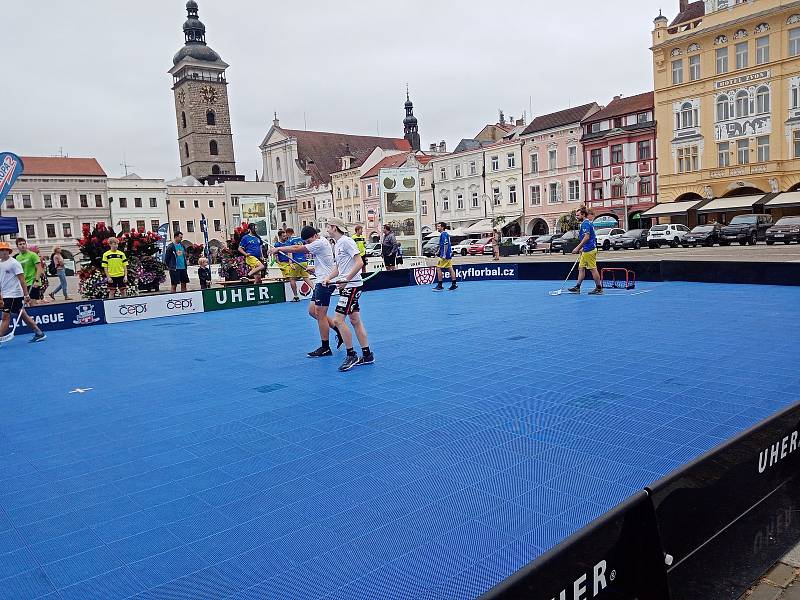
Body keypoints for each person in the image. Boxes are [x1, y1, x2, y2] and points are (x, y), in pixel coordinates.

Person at [268, 225, 344, 357]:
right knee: (312, 311)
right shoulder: (319, 242)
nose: (308, 244)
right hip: (322, 279)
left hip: (325, 282)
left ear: (315, 236)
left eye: (309, 241)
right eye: (307, 242)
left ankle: (325, 347)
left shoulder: (319, 242)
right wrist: (314, 269)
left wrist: (279, 248)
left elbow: (297, 248)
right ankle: (338, 331)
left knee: (320, 315)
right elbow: (325, 262)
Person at [322, 217, 373, 372]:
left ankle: (351, 354)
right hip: (347, 286)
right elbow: (339, 267)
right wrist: (329, 277)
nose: (327, 230)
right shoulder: (337, 244)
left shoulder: (346, 241)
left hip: (351, 286)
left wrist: (346, 279)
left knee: (338, 320)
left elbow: (359, 262)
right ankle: (367, 354)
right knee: (355, 320)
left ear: (334, 227)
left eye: (328, 227)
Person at [0, 242, 46, 343]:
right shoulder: (0, 263)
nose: (3, 252)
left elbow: (22, 279)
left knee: (5, 316)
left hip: (14, 294)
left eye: (5, 250)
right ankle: (39, 333)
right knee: (23, 315)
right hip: (6, 293)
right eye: (1, 250)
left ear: (9, 251)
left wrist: (26, 294)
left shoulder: (14, 263)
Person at [569, 206, 603, 295]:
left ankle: (599, 288)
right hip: (586, 249)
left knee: (593, 269)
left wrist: (578, 248)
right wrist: (583, 248)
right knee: (581, 268)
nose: (576, 217)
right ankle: (577, 287)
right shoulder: (587, 223)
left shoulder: (585, 223)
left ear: (583, 215)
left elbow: (587, 237)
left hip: (589, 250)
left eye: (578, 215)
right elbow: (591, 237)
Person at [15, 239, 44, 306]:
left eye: (24, 244)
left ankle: (35, 315)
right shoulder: (18, 258)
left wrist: (37, 280)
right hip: (24, 283)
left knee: (32, 303)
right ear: (17, 246)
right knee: (25, 303)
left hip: (33, 282)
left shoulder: (33, 255)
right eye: (20, 244)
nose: (22, 246)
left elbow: (39, 268)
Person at [274, 230, 300, 301]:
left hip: (290, 262)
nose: (285, 237)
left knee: (293, 277)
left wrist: (290, 262)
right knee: (291, 278)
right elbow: (276, 257)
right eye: (283, 236)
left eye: (286, 236)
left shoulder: (288, 243)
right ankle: (294, 295)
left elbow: (290, 253)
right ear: (280, 237)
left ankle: (295, 295)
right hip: (283, 264)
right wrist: (280, 264)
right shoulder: (277, 245)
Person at [286, 227, 314, 292]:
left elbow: (290, 252)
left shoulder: (289, 241)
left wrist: (290, 263)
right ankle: (314, 289)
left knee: (292, 279)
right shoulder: (301, 239)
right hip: (304, 261)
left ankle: (296, 296)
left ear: (288, 233)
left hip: (295, 262)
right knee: (306, 278)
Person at [433, 222, 458, 291]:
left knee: (438, 268)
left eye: (438, 226)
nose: (437, 228)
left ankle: (440, 285)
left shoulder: (443, 234)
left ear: (442, 227)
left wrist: (443, 254)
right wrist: (438, 251)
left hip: (445, 256)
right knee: (450, 268)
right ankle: (454, 284)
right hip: (448, 255)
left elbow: (445, 245)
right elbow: (443, 245)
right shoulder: (445, 234)